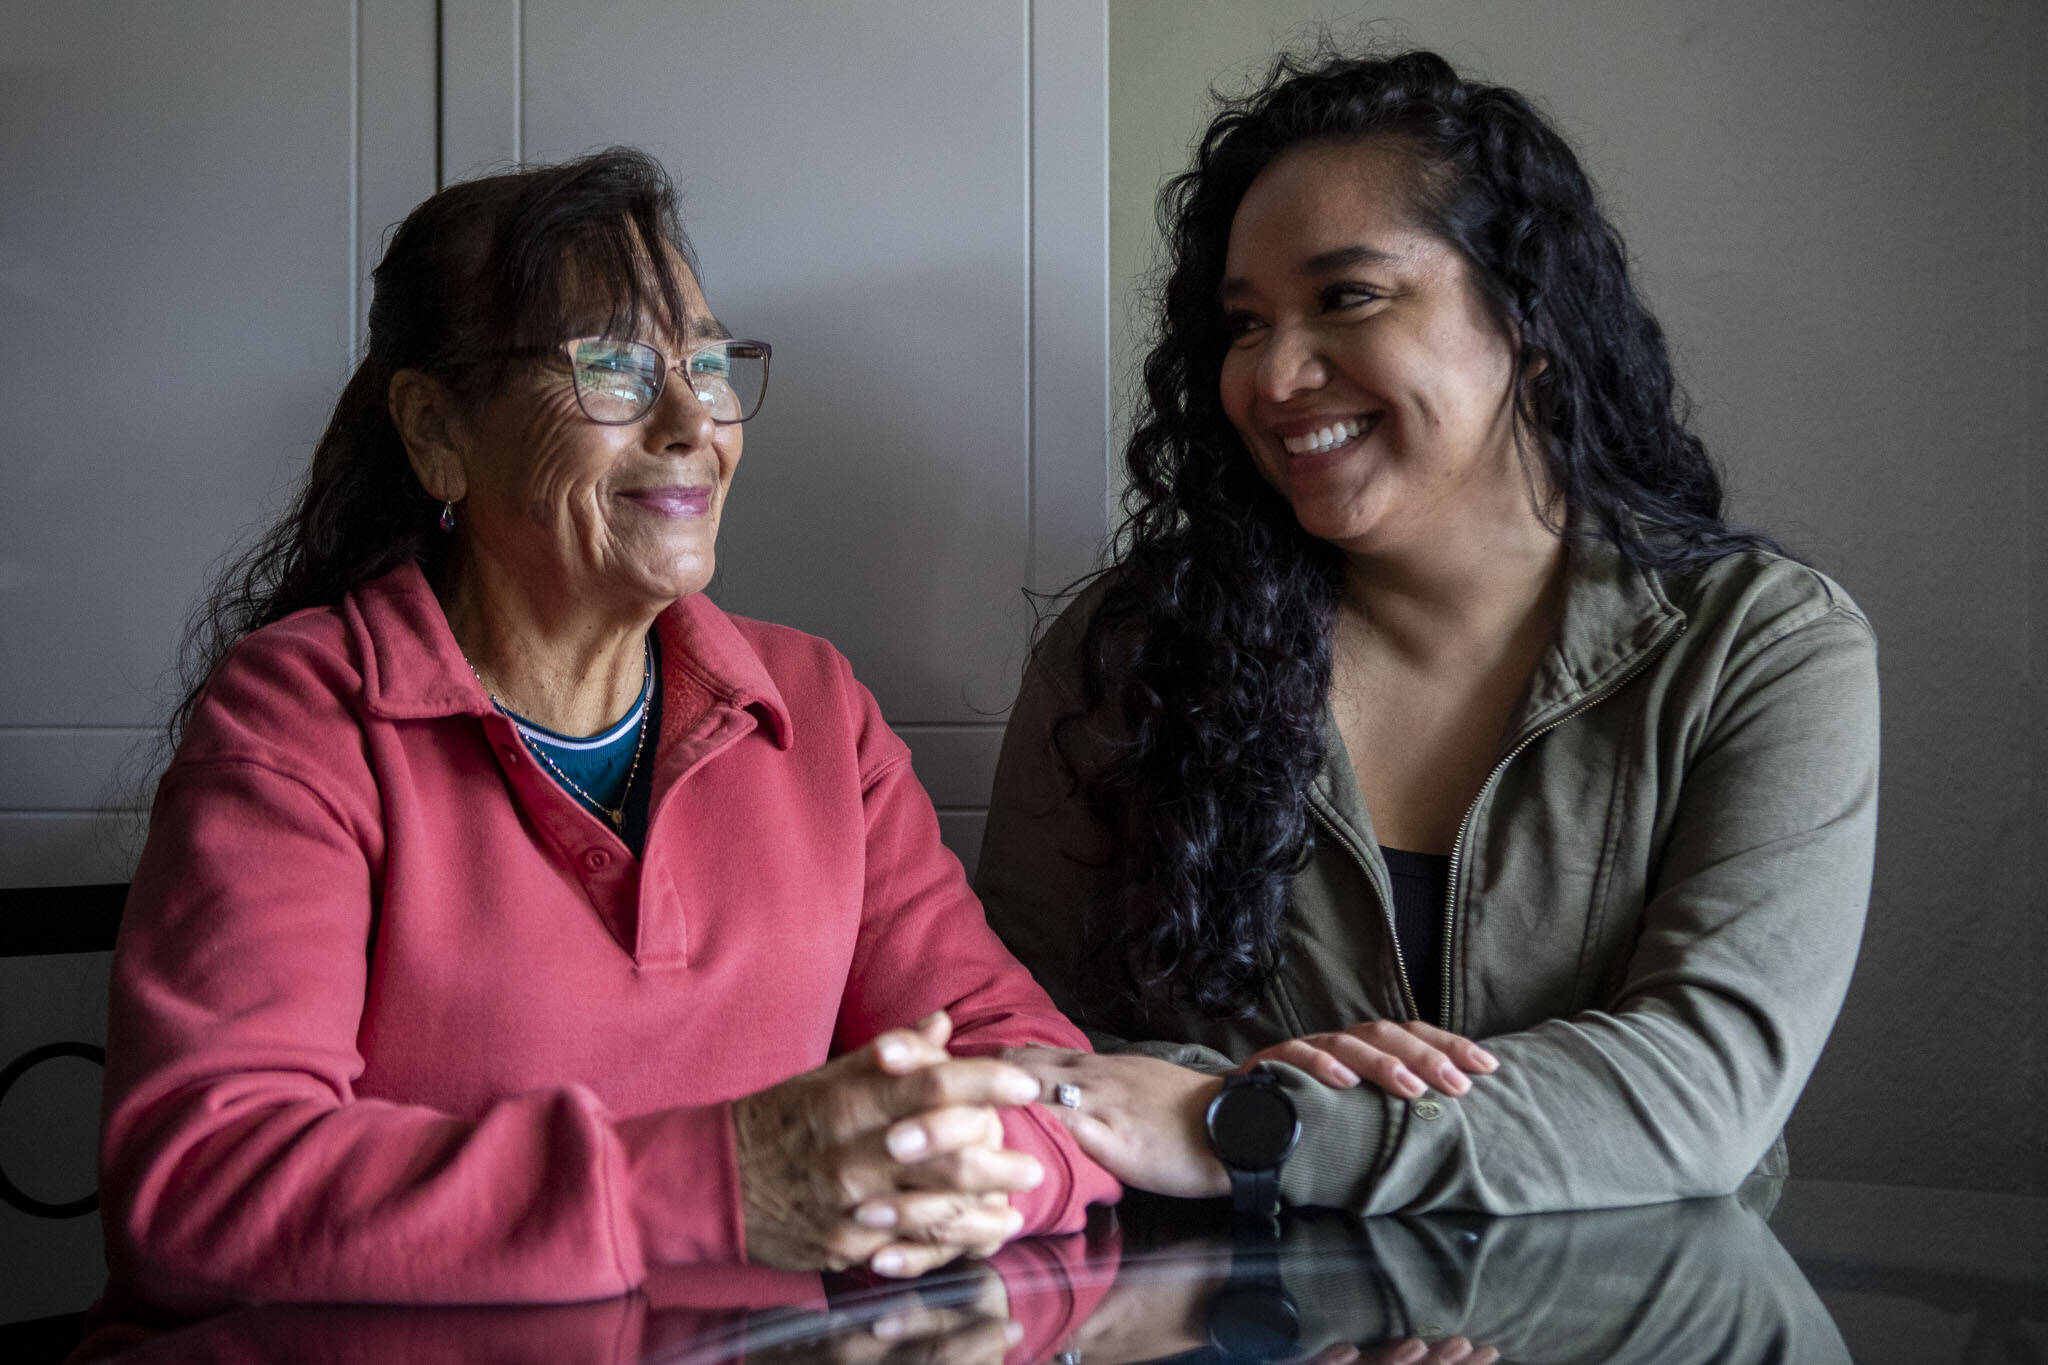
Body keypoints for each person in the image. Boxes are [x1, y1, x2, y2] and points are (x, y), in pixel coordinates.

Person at [99, 148, 1114, 1311]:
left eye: (706, 362)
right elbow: (205, 1187)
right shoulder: (304, 713)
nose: (691, 421)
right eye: (613, 367)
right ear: (436, 429)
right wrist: (728, 1187)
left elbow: (1030, 1066)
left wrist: (972, 1176)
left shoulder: (814, 705)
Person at [977, 48, 1878, 1214]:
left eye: (1345, 297)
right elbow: (1022, 1048)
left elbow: (1701, 1091)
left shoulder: (1755, 648)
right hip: (1226, 1330)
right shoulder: (1128, 652)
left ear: (1530, 316)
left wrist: (1248, 1122)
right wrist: (1234, 1102)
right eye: (1243, 325)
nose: (1273, 374)